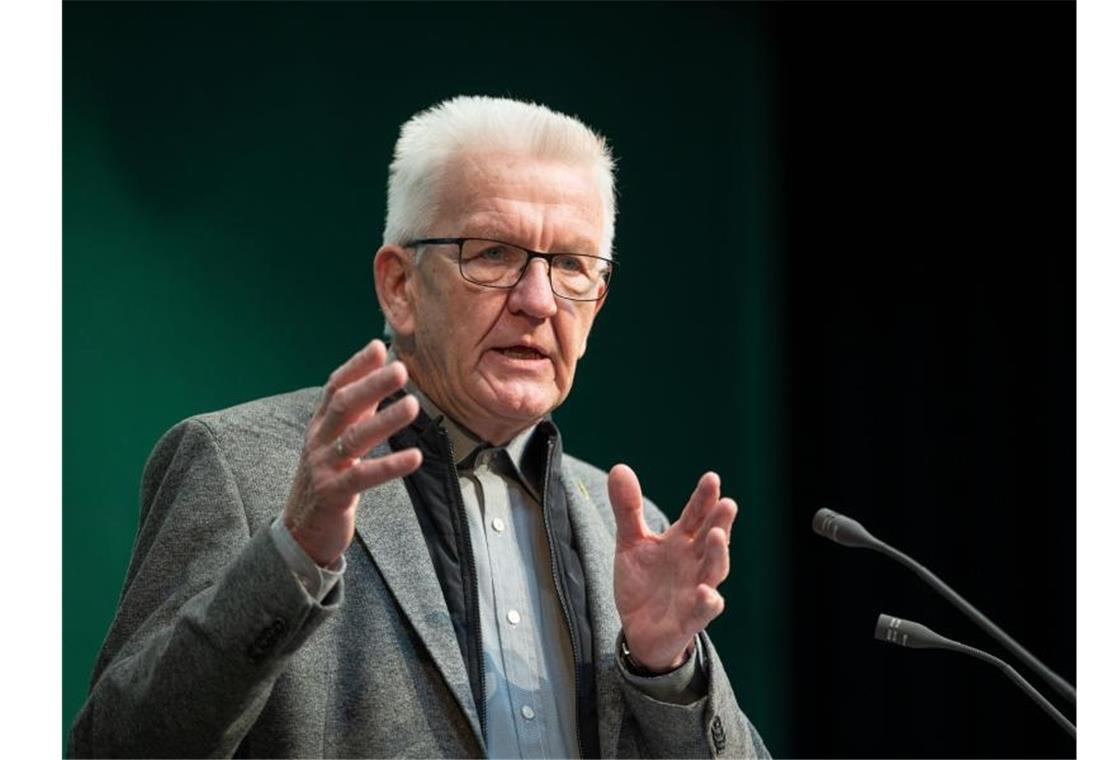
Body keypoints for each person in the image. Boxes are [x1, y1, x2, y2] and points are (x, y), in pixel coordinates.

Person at [69, 96, 769, 758]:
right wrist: (291, 559)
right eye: (492, 254)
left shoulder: (627, 528)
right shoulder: (241, 467)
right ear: (400, 285)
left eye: (571, 267)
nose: (537, 300)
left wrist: (666, 672)